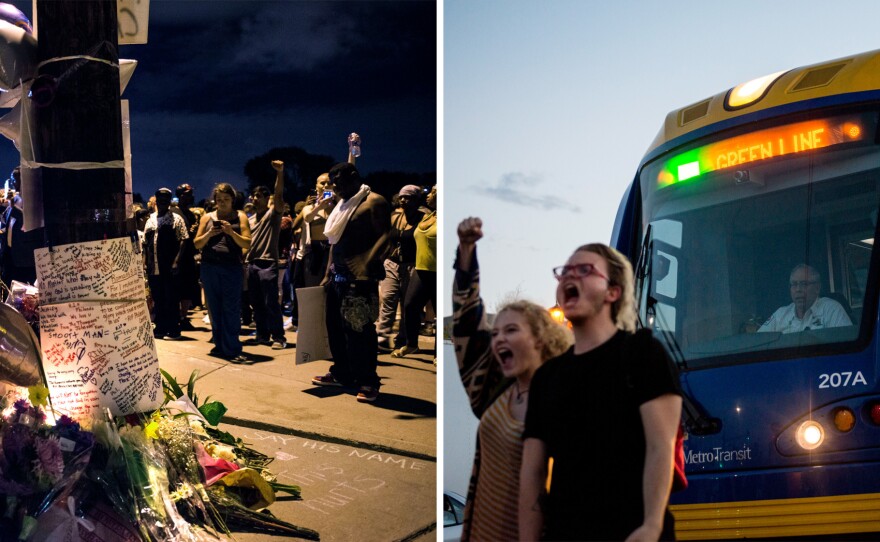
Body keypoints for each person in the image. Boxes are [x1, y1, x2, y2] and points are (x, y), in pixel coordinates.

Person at [519, 243, 682, 542]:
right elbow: (532, 472)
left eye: (584, 270)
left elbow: (662, 447)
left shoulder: (643, 354)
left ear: (612, 292)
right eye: (565, 271)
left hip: (632, 533)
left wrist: (651, 526)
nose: (570, 276)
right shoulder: (546, 377)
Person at [453, 216, 572, 541]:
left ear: (540, 339)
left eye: (511, 330)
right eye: (496, 332)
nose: (499, 339)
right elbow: (465, 317)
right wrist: (466, 249)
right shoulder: (493, 388)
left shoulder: (566, 394)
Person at [311, 162, 390, 403]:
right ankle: (342, 373)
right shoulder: (342, 205)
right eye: (333, 185)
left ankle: (368, 380)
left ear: (354, 177)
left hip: (361, 280)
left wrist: (367, 261)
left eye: (340, 184)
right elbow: (334, 243)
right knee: (336, 330)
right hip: (338, 276)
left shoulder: (374, 201)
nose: (336, 189)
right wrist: (328, 273)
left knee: (360, 332)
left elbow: (388, 236)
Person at [194, 183, 251, 363]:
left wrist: (231, 232)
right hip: (210, 267)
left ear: (233, 200)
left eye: (226, 199)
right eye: (219, 200)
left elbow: (247, 243)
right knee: (214, 308)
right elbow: (197, 244)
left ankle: (232, 347)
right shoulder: (207, 218)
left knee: (231, 309)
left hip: (231, 267)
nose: (223, 203)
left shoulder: (240, 216)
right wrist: (210, 233)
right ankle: (219, 344)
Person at [244, 160, 287, 350]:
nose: (255, 198)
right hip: (251, 264)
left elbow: (279, 194)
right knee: (256, 303)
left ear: (266, 197)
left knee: (271, 303)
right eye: (253, 195)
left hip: (268, 263)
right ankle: (262, 335)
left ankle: (279, 337)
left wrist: (280, 173)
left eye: (259, 196)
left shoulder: (273, 215)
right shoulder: (249, 220)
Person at [377, 186, 424, 352]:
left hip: (412, 265)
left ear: (417, 200)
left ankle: (403, 338)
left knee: (407, 303)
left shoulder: (423, 218)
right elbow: (386, 239)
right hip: (392, 263)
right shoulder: (395, 217)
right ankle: (382, 336)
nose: (404, 200)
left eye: (409, 197)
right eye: (402, 197)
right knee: (388, 298)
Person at [392, 185, 437, 358]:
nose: (428, 194)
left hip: (437, 271)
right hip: (421, 268)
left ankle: (440, 353)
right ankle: (412, 344)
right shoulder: (430, 215)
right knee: (410, 306)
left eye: (433, 192)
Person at [143, 188, 188, 340]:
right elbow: (145, 243)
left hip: (168, 266)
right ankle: (161, 328)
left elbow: (183, 240)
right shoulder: (150, 219)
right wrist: (145, 263)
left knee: (171, 298)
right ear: (156, 200)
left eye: (166, 198)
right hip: (153, 267)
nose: (162, 201)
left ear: (169, 200)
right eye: (160, 198)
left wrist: (176, 261)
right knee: (158, 298)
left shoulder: (176, 219)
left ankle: (174, 330)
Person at [758, 264, 852, 333]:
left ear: (817, 288)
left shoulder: (831, 309)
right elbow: (759, 341)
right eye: (794, 284)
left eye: (804, 284)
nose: (798, 289)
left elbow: (848, 346)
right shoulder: (780, 314)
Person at [174, 183, 200, 330]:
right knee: (176, 288)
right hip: (177, 256)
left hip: (189, 257)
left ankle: (184, 317)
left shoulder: (191, 214)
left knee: (187, 289)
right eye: (188, 194)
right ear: (181, 195)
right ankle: (176, 316)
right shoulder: (174, 212)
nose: (191, 197)